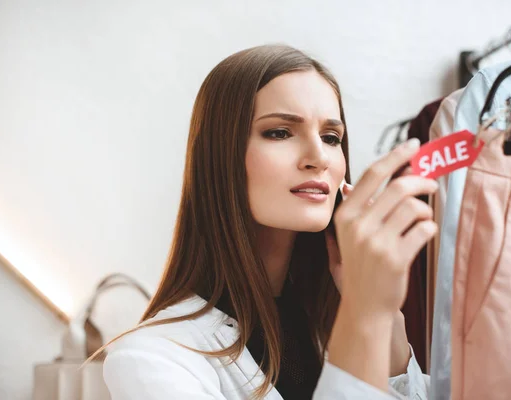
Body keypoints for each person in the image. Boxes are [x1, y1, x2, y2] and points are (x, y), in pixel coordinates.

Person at [97, 44, 438, 399]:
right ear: (221, 155)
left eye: (331, 137)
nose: (318, 158)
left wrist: (384, 320)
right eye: (279, 132)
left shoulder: (327, 326)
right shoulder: (153, 358)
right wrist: (365, 316)